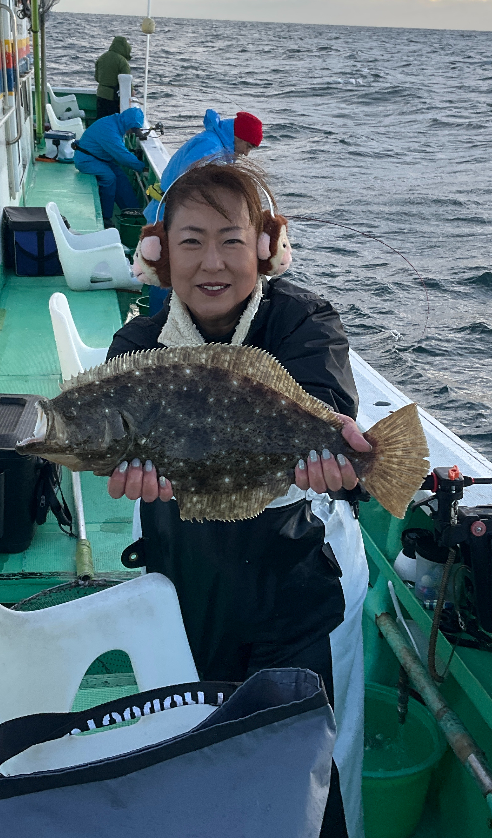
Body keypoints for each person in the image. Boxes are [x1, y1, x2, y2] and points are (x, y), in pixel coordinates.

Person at [106, 161, 369, 838]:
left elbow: (330, 411)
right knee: (203, 756)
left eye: (231, 238)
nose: (211, 262)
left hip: (300, 581)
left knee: (309, 766)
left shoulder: (302, 320)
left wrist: (335, 448)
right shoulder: (138, 345)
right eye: (191, 241)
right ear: (161, 251)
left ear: (265, 244)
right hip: (187, 583)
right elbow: (113, 439)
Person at [142, 110, 264, 313]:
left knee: (166, 271)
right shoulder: (211, 150)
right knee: (167, 274)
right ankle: (158, 324)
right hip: (169, 217)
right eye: (248, 146)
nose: (246, 153)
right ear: (238, 136)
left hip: (166, 212)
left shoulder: (215, 143)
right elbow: (197, 194)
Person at [73, 107, 146, 223]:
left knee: (121, 177)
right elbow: (123, 156)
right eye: (133, 129)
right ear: (128, 124)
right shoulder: (110, 130)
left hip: (99, 158)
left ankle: (133, 210)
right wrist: (142, 167)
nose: (132, 132)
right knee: (109, 178)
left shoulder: (116, 122)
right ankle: (105, 216)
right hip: (86, 160)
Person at [93, 36, 131, 118]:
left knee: (101, 121)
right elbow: (126, 82)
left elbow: (97, 78)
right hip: (113, 99)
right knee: (113, 123)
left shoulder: (102, 58)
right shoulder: (122, 61)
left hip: (100, 95)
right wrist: (132, 91)